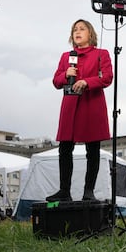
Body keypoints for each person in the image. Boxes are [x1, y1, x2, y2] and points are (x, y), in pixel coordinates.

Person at [47, 19, 113, 202]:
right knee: (65, 148)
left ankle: (88, 191)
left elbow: (107, 78)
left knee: (93, 149)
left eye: (82, 29)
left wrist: (88, 82)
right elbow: (55, 81)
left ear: (90, 34)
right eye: (75, 29)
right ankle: (64, 191)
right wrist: (65, 74)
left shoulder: (101, 54)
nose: (77, 32)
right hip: (70, 105)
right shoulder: (66, 56)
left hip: (91, 104)